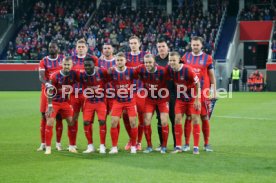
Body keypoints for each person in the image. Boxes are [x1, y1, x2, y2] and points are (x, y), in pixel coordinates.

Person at [181, 36, 216, 152]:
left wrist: (214, 90)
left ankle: (206, 144)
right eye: (193, 45)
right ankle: (186, 144)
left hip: (203, 92)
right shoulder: (185, 57)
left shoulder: (208, 58)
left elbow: (211, 76)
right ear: (191, 45)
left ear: (201, 45)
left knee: (204, 116)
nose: (195, 47)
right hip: (189, 92)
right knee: (189, 117)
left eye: (197, 45)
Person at [168, 51, 201, 154]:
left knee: (195, 120)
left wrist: (197, 99)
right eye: (170, 60)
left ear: (179, 60)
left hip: (192, 99)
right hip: (180, 99)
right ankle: (178, 147)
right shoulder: (169, 70)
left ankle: (196, 147)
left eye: (174, 60)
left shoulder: (188, 70)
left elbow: (198, 84)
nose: (172, 62)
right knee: (177, 119)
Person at [135, 54, 170, 154]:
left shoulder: (162, 71)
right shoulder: (141, 69)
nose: (148, 64)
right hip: (149, 99)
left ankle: (164, 146)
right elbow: (130, 71)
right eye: (146, 62)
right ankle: (149, 146)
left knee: (163, 121)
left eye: (150, 62)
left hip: (162, 99)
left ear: (154, 62)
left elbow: (172, 79)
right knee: (146, 121)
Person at [44, 57, 78, 155]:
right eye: (65, 64)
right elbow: (50, 91)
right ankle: (48, 148)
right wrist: (49, 105)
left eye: (68, 65)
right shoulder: (55, 76)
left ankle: (71, 146)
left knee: (71, 123)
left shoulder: (73, 75)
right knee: (50, 123)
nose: (67, 66)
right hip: (54, 102)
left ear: (71, 65)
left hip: (65, 102)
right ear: (61, 65)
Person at [107, 52, 139, 154]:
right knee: (113, 122)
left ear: (125, 61)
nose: (119, 62)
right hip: (118, 101)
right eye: (117, 60)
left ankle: (134, 146)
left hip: (130, 101)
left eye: (121, 60)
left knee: (133, 123)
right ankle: (114, 147)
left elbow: (140, 77)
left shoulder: (131, 71)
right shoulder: (112, 72)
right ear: (115, 61)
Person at [71, 38, 98, 148]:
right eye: (79, 47)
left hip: (88, 94)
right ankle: (72, 144)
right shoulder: (71, 59)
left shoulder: (93, 59)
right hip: (74, 93)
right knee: (73, 119)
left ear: (86, 48)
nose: (81, 48)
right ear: (76, 49)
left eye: (83, 47)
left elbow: (97, 74)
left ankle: (90, 144)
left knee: (88, 120)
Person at [37, 41, 64, 152]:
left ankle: (58, 143)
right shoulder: (44, 61)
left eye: (54, 47)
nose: (51, 48)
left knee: (59, 117)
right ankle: (43, 143)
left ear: (58, 48)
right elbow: (41, 76)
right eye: (50, 47)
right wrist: (47, 83)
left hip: (60, 90)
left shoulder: (62, 59)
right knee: (44, 115)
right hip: (47, 89)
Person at [79, 57, 108, 154]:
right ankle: (90, 146)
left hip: (101, 101)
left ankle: (102, 145)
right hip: (89, 101)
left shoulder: (102, 72)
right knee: (86, 122)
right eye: (85, 65)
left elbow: (110, 79)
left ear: (94, 65)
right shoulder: (82, 75)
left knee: (102, 121)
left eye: (89, 65)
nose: (87, 67)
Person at [123, 35, 147, 151]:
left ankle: (139, 142)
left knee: (141, 117)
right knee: (125, 116)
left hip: (142, 90)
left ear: (139, 44)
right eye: (131, 43)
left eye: (135, 43)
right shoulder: (125, 57)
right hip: (128, 91)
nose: (133, 45)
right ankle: (131, 139)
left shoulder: (145, 55)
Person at [154, 38, 176, 150]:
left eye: (163, 46)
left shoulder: (174, 58)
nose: (161, 48)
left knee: (174, 119)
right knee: (160, 119)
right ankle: (162, 144)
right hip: (159, 95)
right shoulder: (154, 60)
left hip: (173, 93)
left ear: (167, 47)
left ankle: (177, 144)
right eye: (159, 47)